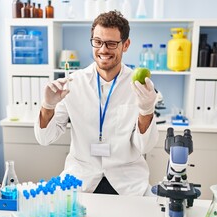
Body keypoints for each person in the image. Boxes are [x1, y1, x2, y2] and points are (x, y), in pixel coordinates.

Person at [34, 10, 159, 196]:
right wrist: (48, 106)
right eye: (98, 42)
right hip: (81, 178)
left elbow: (144, 147)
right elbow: (45, 139)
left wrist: (146, 110)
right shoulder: (72, 83)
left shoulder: (139, 86)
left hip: (127, 181)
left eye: (111, 43)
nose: (103, 49)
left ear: (125, 45)